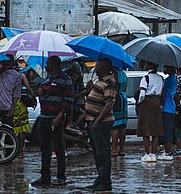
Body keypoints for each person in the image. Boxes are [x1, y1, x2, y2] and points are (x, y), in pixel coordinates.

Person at [31, 56, 74, 187]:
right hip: (44, 117)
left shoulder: (65, 80)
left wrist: (60, 116)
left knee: (59, 148)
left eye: (48, 63)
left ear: (55, 65)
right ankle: (45, 176)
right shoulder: (47, 79)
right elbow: (44, 94)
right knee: (44, 148)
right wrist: (41, 91)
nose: (46, 65)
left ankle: (61, 177)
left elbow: (68, 100)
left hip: (56, 119)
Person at [84, 58, 117, 192]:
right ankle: (100, 178)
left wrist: (97, 121)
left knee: (103, 153)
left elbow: (109, 104)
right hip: (93, 120)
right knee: (97, 153)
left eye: (97, 66)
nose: (95, 68)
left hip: (101, 123)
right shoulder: (101, 82)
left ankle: (105, 182)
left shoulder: (109, 82)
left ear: (103, 68)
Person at [136, 61, 164, 162]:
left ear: (150, 65)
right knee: (155, 131)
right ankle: (153, 154)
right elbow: (162, 93)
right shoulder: (161, 78)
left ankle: (147, 154)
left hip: (147, 103)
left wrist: (139, 102)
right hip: (156, 102)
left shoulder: (145, 78)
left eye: (146, 64)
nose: (144, 65)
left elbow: (142, 93)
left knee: (145, 130)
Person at [0, 54, 22, 126]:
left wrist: (12, 109)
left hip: (7, 106)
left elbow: (16, 94)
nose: (5, 63)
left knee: (7, 128)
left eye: (8, 61)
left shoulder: (16, 76)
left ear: (11, 62)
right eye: (4, 61)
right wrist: (0, 72)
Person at [13, 72, 36, 158]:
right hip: (19, 103)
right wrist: (33, 99)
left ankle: (11, 151)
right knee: (21, 129)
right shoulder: (21, 76)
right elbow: (29, 89)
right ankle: (20, 152)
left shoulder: (4, 74)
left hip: (7, 102)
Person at [158, 65, 178, 161]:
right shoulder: (173, 78)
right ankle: (167, 150)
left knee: (167, 131)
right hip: (171, 107)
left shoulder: (170, 79)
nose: (164, 69)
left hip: (167, 108)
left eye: (166, 67)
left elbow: (162, 91)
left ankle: (168, 152)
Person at [111, 67, 127, 157]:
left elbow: (113, 86)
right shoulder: (124, 73)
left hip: (117, 98)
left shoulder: (115, 73)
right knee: (122, 125)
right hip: (123, 98)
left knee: (116, 125)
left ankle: (114, 150)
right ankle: (122, 149)